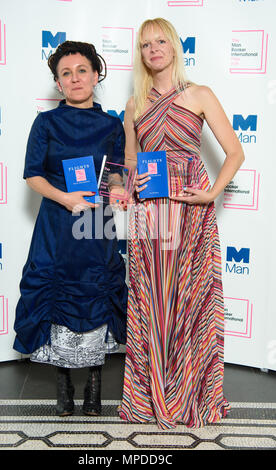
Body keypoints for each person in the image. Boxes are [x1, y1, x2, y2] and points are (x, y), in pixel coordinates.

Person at [118, 18, 245, 429]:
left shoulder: (200, 94)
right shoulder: (134, 105)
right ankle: (150, 397)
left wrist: (212, 193)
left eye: (160, 41)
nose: (153, 49)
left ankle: (190, 393)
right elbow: (133, 160)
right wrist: (125, 182)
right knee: (151, 300)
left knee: (189, 299)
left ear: (173, 46)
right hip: (149, 213)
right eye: (145, 44)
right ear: (140, 54)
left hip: (191, 211)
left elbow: (235, 153)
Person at [13, 41, 128, 417]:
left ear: (96, 75)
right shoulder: (45, 123)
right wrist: (66, 198)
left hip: (96, 224)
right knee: (59, 295)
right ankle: (63, 386)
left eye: (82, 70)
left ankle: (95, 386)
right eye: (66, 73)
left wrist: (118, 191)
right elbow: (32, 175)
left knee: (96, 291)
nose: (75, 78)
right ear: (58, 84)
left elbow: (115, 176)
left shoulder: (113, 126)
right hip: (58, 227)